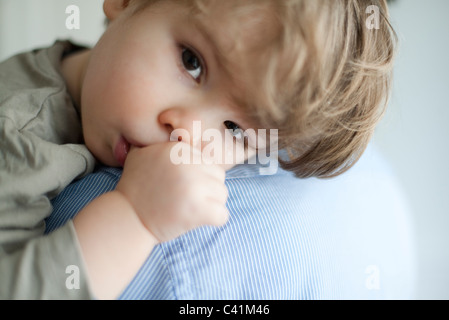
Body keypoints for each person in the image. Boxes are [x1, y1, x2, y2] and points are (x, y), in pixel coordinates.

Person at [0, 0, 399, 299]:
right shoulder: (17, 136)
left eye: (235, 129)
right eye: (192, 63)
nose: (189, 134)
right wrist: (134, 217)